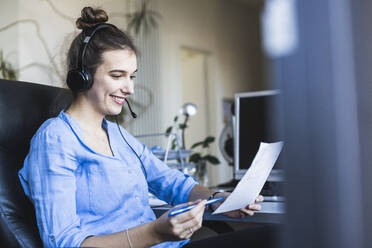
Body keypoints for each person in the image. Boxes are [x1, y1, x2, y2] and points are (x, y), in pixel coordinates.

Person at [18, 7, 272, 248]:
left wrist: (219, 199)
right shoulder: (55, 139)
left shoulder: (117, 134)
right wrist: (154, 232)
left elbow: (173, 184)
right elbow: (63, 243)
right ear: (82, 76)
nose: (129, 88)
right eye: (117, 76)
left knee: (277, 235)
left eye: (132, 76)